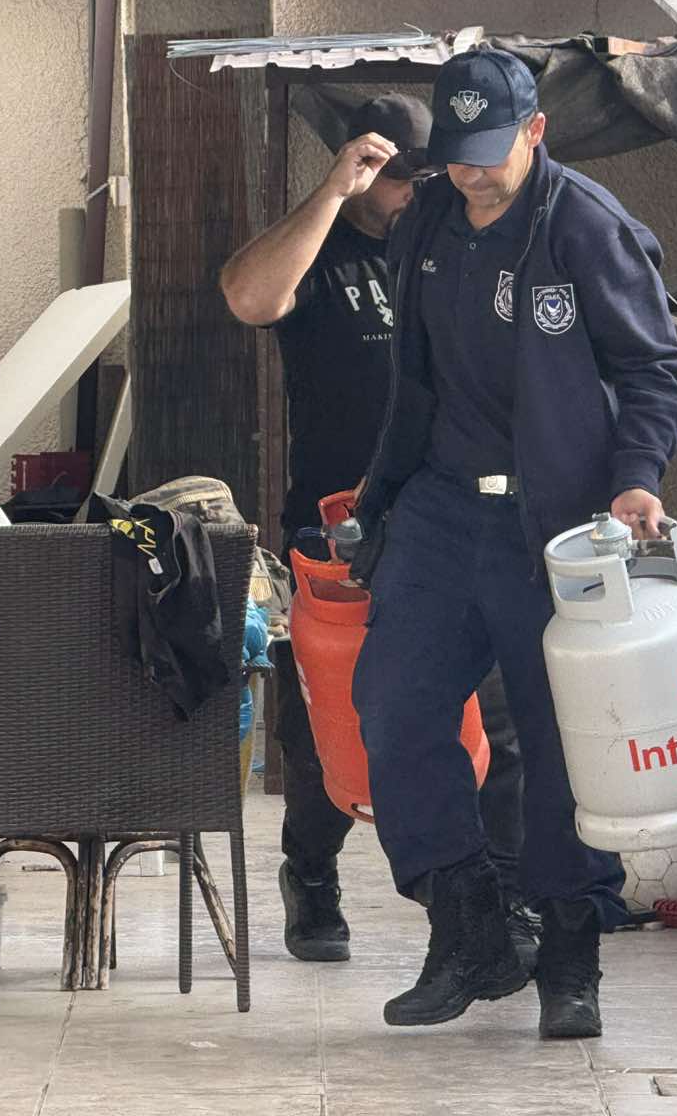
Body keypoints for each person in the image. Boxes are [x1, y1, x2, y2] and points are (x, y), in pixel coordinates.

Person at [348, 49, 677, 1039]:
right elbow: (412, 376)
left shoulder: (586, 227)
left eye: (492, 151)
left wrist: (636, 476)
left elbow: (653, 369)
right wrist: (382, 498)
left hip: (559, 528)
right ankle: (470, 928)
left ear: (536, 131)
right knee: (395, 706)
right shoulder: (430, 222)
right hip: (443, 510)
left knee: (556, 746)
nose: (473, 172)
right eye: (456, 155)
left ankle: (570, 959)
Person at [219, 95, 533, 968]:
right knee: (334, 723)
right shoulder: (324, 252)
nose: (412, 191)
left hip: (458, 526)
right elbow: (249, 297)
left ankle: (497, 903)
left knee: (496, 722)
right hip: (338, 533)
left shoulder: (455, 254)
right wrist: (330, 195)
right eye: (396, 175)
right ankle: (312, 874)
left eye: (426, 174)